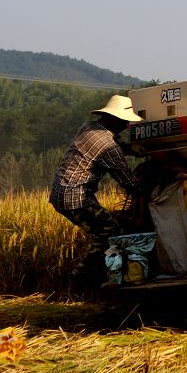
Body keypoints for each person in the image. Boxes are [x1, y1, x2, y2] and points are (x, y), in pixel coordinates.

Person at [49, 94, 144, 281]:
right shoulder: (110, 148)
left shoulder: (88, 127)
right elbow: (129, 183)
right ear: (115, 119)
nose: (126, 126)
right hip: (76, 196)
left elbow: (108, 142)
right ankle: (79, 278)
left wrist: (130, 149)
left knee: (100, 229)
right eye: (125, 122)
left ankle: (95, 275)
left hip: (59, 192)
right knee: (110, 231)